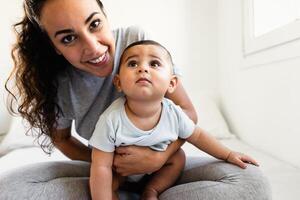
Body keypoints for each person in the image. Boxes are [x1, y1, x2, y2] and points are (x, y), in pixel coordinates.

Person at [1, 0, 271, 199]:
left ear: (105, 15)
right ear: (54, 47)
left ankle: (150, 193)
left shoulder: (137, 42)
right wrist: (106, 164)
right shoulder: (58, 81)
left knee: (250, 180)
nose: (94, 48)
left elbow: (188, 114)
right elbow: (61, 139)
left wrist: (156, 158)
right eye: (69, 38)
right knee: (9, 189)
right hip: (104, 170)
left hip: (164, 164)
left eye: (94, 24)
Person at [89, 40, 260, 200]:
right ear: (118, 82)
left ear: (172, 83)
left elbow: (198, 136)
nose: (143, 68)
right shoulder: (111, 119)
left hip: (159, 169)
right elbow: (101, 166)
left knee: (178, 158)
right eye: (133, 63)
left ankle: (152, 190)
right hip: (121, 172)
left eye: (154, 64)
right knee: (104, 181)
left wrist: (229, 154)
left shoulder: (173, 113)